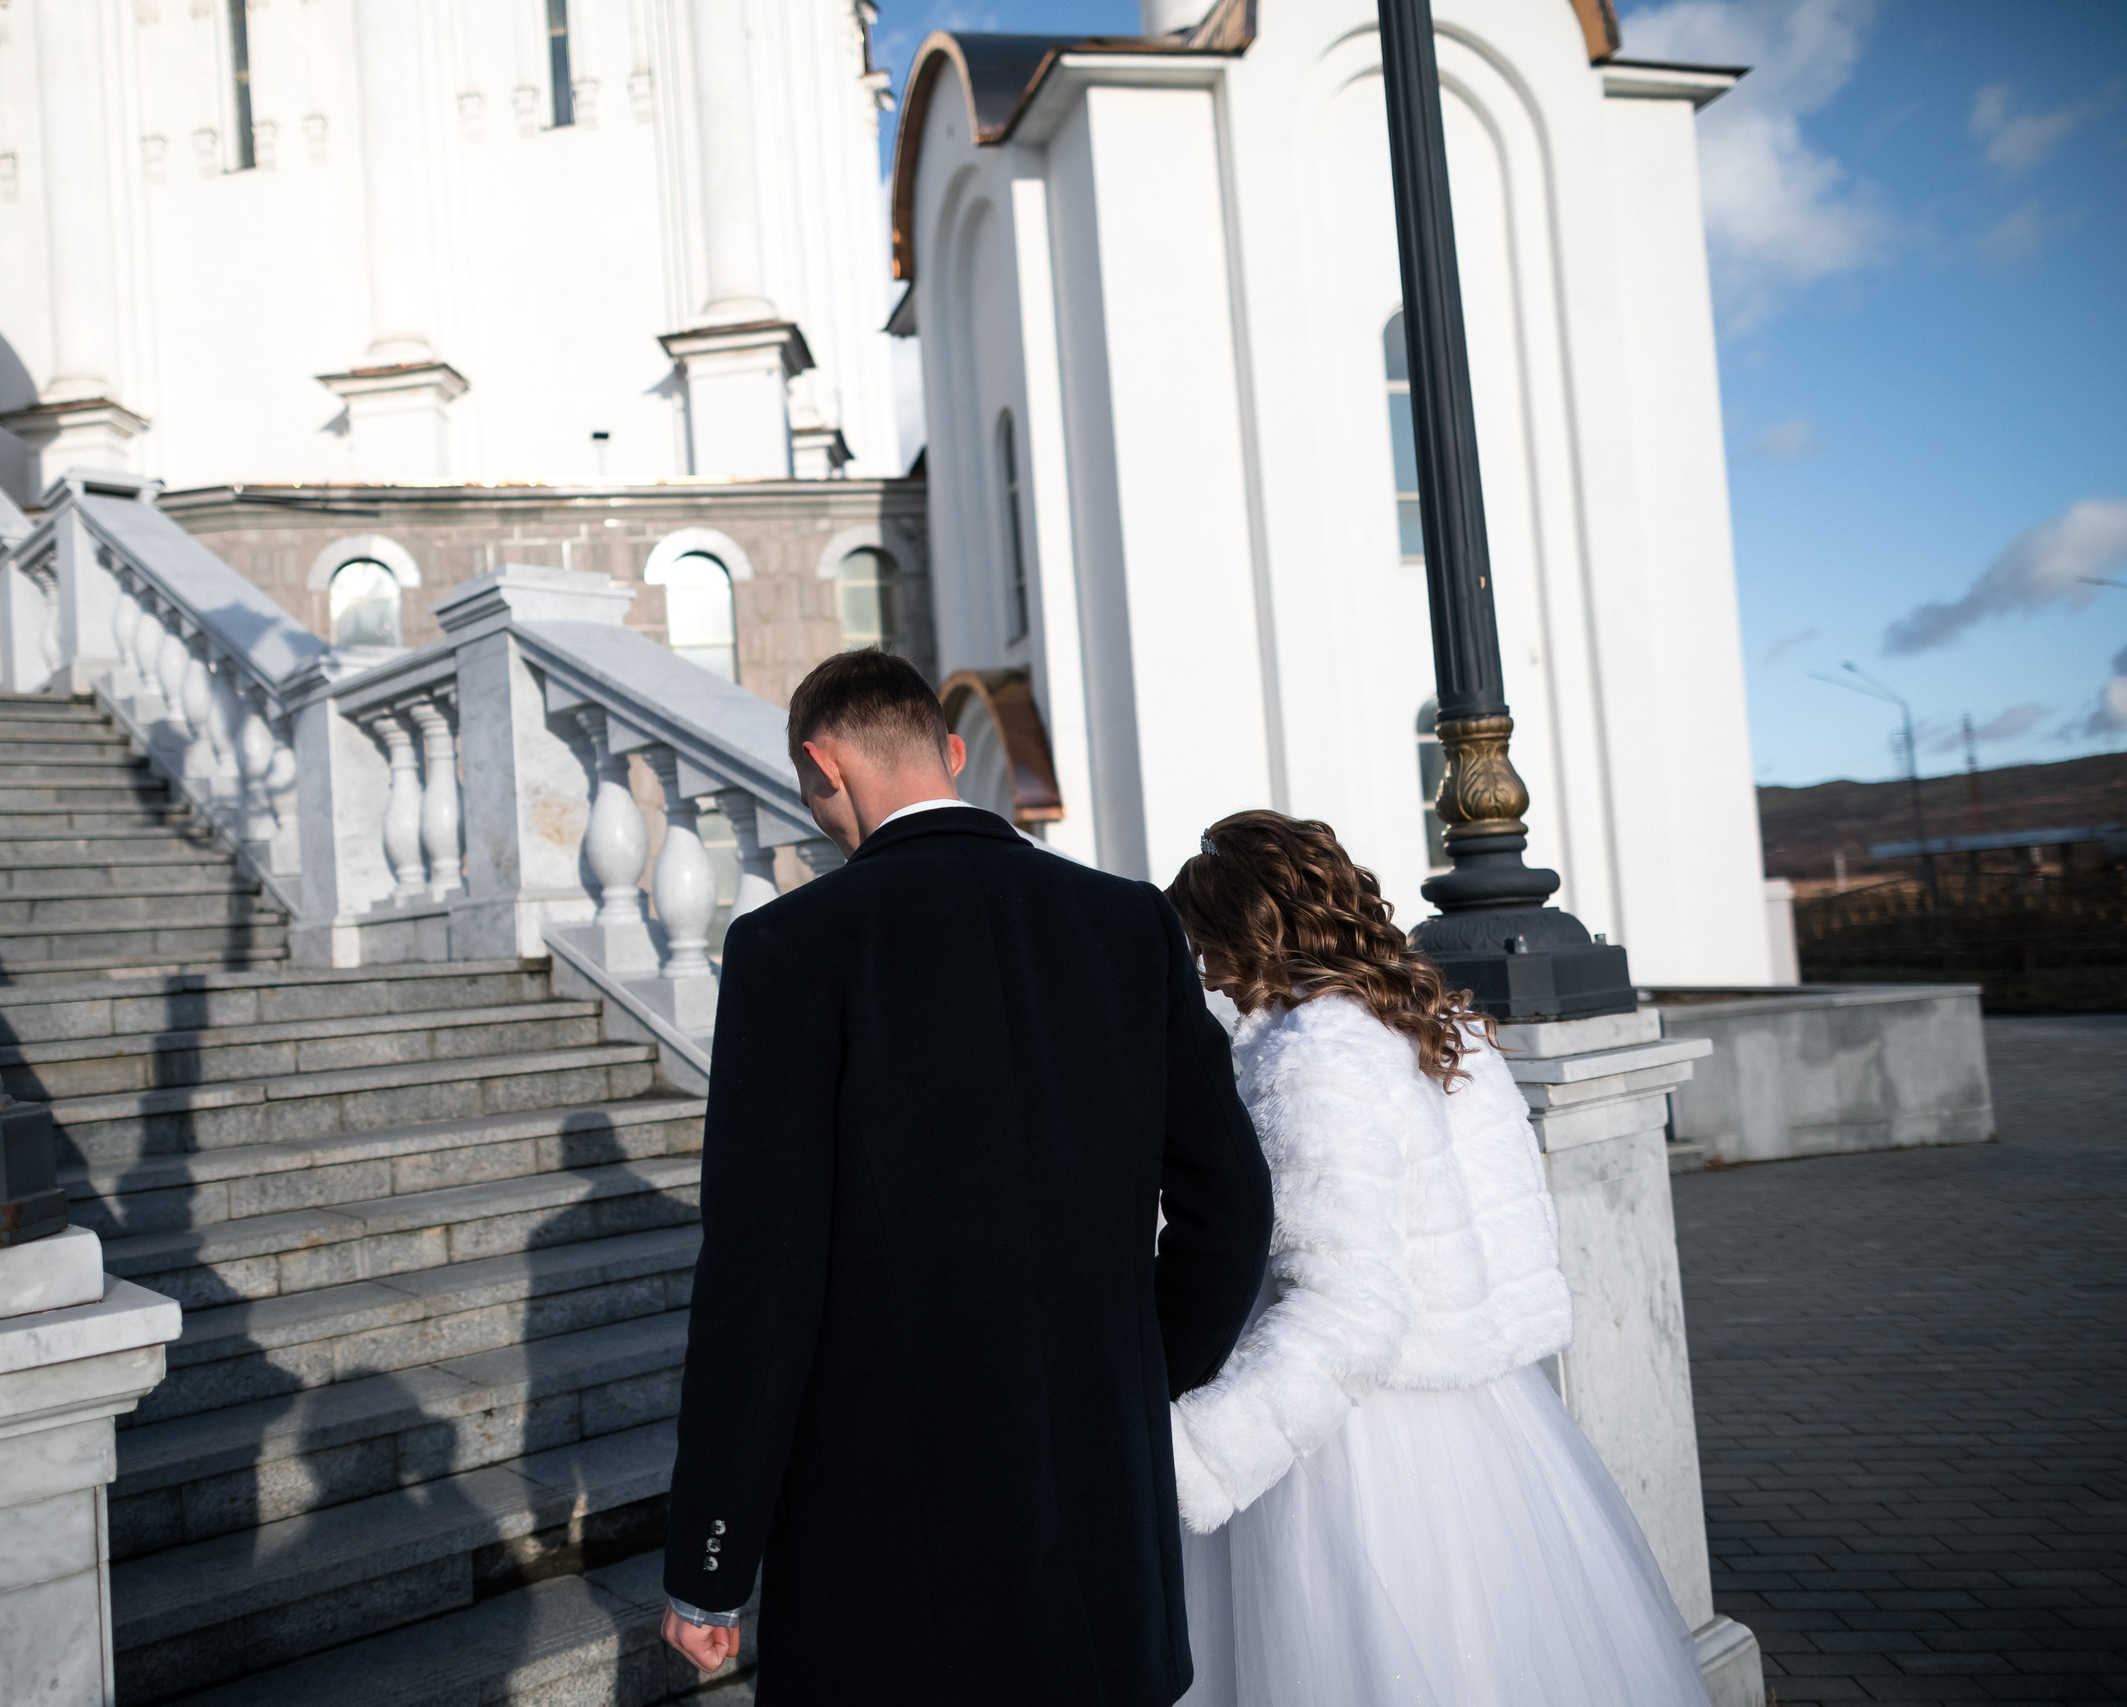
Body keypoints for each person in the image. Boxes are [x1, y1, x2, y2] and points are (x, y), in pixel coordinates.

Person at [656, 650, 1275, 1705]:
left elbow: (762, 1276)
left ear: (820, 766)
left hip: (888, 1535)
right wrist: (1129, 1383)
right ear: (950, 754)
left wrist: (711, 1562)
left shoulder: (791, 947)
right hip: (1097, 1523)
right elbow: (1231, 1202)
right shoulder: (1128, 922)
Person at [1162, 810, 1712, 1707]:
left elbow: (1347, 1309)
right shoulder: (1435, 1026)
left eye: (1201, 942)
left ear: (1245, 932)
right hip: (1476, 1421)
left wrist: (1200, 1456)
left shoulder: (1314, 1057)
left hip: (1350, 1442)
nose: (1201, 968)